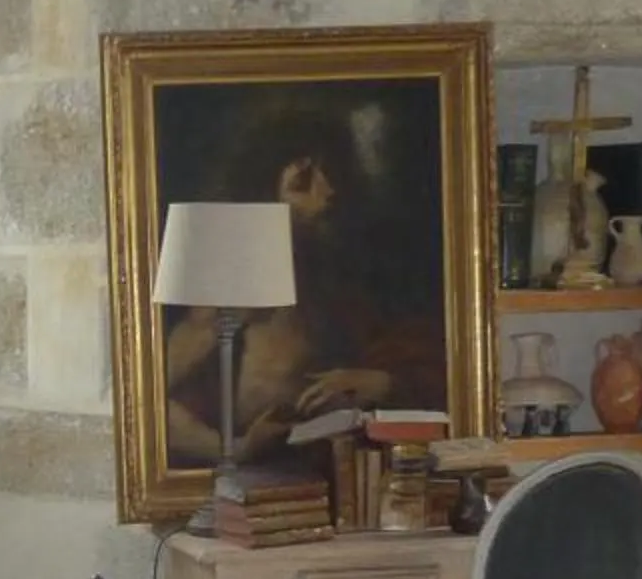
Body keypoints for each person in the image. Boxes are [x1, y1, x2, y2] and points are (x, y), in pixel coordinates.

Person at [159, 93, 448, 466]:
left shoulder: (345, 284)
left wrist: (378, 382)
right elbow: (150, 402)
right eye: (303, 181)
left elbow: (427, 364)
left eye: (332, 174)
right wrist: (234, 449)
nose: (327, 193)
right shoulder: (227, 295)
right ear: (264, 191)